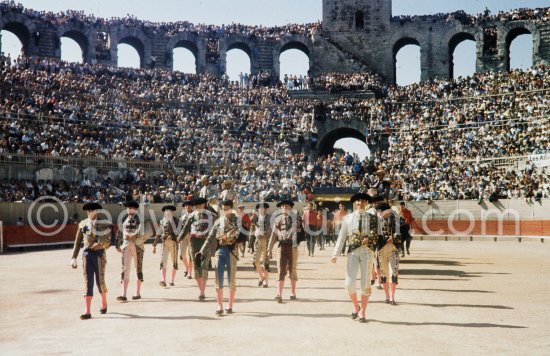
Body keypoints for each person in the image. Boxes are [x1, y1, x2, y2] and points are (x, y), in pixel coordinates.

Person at [331, 193, 379, 323]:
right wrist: (335, 253)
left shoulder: (373, 218)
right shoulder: (348, 218)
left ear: (366, 203)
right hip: (353, 251)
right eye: (358, 201)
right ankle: (356, 306)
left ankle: (363, 311)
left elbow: (377, 236)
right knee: (349, 283)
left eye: (363, 201)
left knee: (365, 283)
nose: (360, 203)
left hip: (367, 251)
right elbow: (342, 237)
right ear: (355, 203)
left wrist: (369, 240)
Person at [196, 200, 243, 315]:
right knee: (218, 278)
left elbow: (242, 236)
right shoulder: (218, 221)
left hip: (232, 251)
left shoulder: (238, 221)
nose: (225, 211)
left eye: (227, 209)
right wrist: (201, 251)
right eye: (223, 209)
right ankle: (219, 305)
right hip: (220, 251)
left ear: (232, 208)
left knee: (231, 279)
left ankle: (230, 305)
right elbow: (210, 237)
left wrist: (231, 238)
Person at [70, 202, 113, 320]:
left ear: (97, 212)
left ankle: (104, 303)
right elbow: (78, 242)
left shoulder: (105, 224)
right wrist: (73, 257)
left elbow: (108, 241)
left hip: (99, 255)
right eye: (88, 211)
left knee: (100, 280)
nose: (90, 213)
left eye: (92, 210)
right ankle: (87, 310)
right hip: (87, 255)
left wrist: (99, 244)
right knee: (88, 281)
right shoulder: (82, 224)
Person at [181, 197, 215, 300]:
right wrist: (179, 238)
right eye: (197, 205)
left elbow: (216, 221)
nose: (199, 207)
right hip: (194, 242)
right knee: (196, 266)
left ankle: (202, 291)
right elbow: (186, 227)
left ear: (204, 205)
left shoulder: (211, 215)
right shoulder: (192, 215)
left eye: (201, 205)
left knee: (204, 266)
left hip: (206, 242)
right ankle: (201, 290)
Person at [268, 200, 301, 303]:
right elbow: (273, 235)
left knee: (292, 270)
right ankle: (279, 294)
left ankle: (292, 292)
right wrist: (269, 249)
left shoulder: (296, 219)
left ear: (290, 208)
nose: (284, 208)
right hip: (281, 246)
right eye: (282, 207)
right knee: (280, 270)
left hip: (292, 247)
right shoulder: (277, 220)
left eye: (286, 206)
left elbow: (298, 230)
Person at [115, 201, 145, 301]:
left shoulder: (140, 218)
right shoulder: (124, 218)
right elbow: (119, 231)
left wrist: (135, 235)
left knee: (138, 268)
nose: (128, 209)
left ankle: (138, 293)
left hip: (137, 245)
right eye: (127, 208)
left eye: (130, 207)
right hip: (126, 245)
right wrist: (117, 244)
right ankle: (123, 294)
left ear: (135, 209)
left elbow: (144, 230)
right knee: (125, 268)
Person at [377, 202, 401, 305]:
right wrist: (386, 239)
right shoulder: (376, 221)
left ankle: (392, 296)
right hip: (381, 249)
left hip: (393, 248)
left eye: (380, 211)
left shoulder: (396, 219)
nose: (379, 213)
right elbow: (374, 236)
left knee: (394, 272)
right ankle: (387, 295)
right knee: (384, 273)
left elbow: (401, 233)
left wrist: (394, 237)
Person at [152, 205, 180, 287]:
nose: (167, 213)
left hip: (174, 243)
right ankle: (163, 280)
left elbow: (180, 232)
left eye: (169, 211)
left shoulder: (177, 221)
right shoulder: (162, 221)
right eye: (166, 211)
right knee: (163, 261)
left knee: (174, 261)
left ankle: (172, 280)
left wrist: (173, 236)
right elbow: (158, 233)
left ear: (172, 212)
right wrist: (154, 244)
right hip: (164, 243)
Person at [251, 202, 271, 288]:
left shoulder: (270, 218)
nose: (262, 210)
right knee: (256, 261)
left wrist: (266, 233)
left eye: (263, 208)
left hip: (266, 240)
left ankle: (266, 281)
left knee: (265, 261)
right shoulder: (255, 218)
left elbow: (272, 230)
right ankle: (261, 277)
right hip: (257, 240)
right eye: (260, 209)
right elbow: (251, 230)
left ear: (266, 209)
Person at [177, 200, 194, 279]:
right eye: (186, 206)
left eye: (189, 206)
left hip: (192, 236)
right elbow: (180, 227)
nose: (187, 207)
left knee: (190, 254)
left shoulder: (194, 215)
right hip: (184, 237)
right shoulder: (183, 216)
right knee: (182, 255)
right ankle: (187, 268)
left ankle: (190, 273)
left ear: (192, 206)